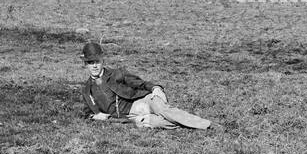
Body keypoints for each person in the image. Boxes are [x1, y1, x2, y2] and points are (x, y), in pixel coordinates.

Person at [80, 41, 212, 130]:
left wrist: (155, 88)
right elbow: (86, 113)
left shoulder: (117, 74)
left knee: (164, 110)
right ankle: (191, 124)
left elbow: (140, 83)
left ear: (102, 60)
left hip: (142, 101)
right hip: (130, 116)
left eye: (97, 61)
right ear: (86, 64)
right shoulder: (87, 90)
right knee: (158, 122)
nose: (95, 66)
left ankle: (208, 125)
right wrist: (95, 116)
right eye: (91, 63)